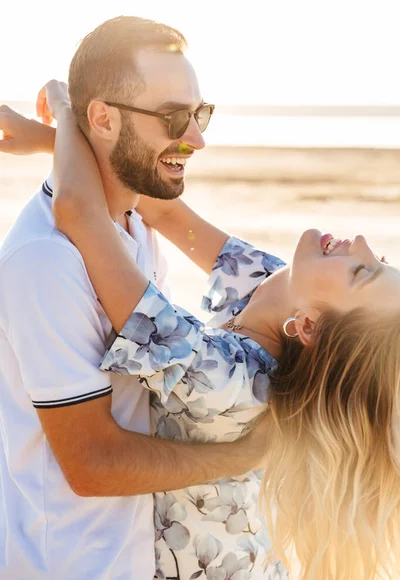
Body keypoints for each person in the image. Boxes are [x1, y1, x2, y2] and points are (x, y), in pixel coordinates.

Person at [33, 83, 400, 580]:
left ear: (311, 325)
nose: (359, 242)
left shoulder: (225, 380)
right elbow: (158, 207)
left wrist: (65, 109)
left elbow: (76, 211)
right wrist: (45, 137)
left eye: (360, 272)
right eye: (376, 260)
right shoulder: (275, 285)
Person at [0, 18, 270, 580]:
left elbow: (115, 171)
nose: (196, 139)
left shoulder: (133, 221)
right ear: (102, 118)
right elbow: (92, 463)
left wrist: (63, 118)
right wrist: (239, 461)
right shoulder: (47, 260)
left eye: (200, 115)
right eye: (175, 117)